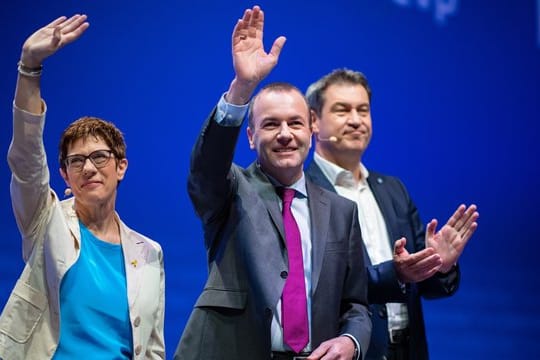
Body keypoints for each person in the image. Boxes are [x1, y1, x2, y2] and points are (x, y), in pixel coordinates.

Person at [174, 6, 371, 360]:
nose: (284, 135)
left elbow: (355, 304)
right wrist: (242, 88)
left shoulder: (343, 212)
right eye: (270, 125)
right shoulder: (231, 190)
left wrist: (350, 342)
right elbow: (206, 168)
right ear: (250, 136)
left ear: (312, 128)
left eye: (295, 123)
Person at [0, 15, 165, 360]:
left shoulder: (150, 253)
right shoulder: (46, 221)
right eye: (76, 161)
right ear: (64, 175)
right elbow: (27, 161)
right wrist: (29, 67)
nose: (88, 167)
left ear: (121, 167)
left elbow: (151, 349)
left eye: (100, 157)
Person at [304, 68, 479, 360]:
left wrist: (439, 265)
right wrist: (395, 273)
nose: (356, 120)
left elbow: (425, 286)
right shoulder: (303, 194)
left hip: (407, 350)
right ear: (313, 121)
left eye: (363, 110)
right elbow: (320, 285)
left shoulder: (393, 190)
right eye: (342, 110)